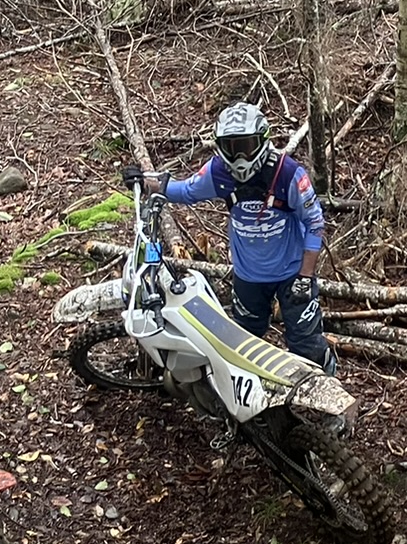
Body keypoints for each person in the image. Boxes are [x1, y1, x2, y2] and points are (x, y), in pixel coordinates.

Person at [129, 103, 336, 372]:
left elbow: (315, 222)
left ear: (262, 140)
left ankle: (330, 391)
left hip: (292, 275)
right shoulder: (219, 172)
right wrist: (146, 182)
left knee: (306, 344)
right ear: (219, 147)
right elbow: (186, 191)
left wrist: (305, 277)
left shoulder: (288, 173)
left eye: (246, 146)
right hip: (248, 277)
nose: (240, 157)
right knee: (244, 343)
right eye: (231, 147)